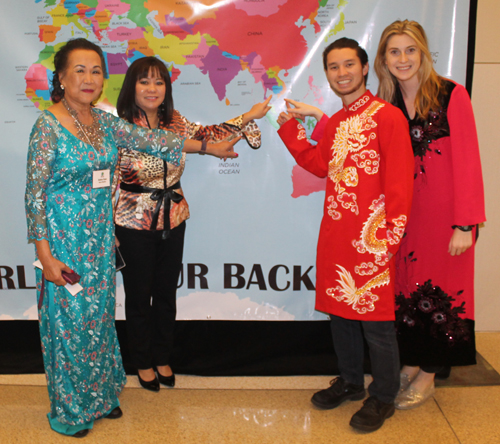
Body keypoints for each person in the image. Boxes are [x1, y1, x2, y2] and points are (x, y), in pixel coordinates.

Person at [24, 38, 238, 438]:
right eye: (80, 70)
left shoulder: (102, 122)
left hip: (102, 238)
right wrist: (45, 254)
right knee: (70, 326)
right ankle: (70, 410)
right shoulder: (47, 125)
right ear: (62, 77)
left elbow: (154, 141)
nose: (89, 79)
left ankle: (102, 397)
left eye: (96, 71)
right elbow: (34, 194)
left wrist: (208, 147)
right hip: (64, 244)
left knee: (99, 322)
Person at [277, 38, 414, 432]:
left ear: (366, 67)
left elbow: (401, 184)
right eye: (334, 67)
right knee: (340, 313)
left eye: (348, 64)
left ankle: (383, 396)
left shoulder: (388, 117)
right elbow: (317, 164)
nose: (342, 73)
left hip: (373, 238)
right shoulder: (336, 122)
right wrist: (289, 129)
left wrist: (388, 240)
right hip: (337, 234)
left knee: (377, 323)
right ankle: (352, 381)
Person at [113, 56, 271, 392]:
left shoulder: (175, 121)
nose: (152, 89)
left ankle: (162, 356)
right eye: (144, 81)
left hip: (174, 216)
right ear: (132, 87)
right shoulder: (120, 126)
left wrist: (248, 117)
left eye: (159, 82)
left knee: (166, 293)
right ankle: (141, 361)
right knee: (139, 297)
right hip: (131, 221)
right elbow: (111, 180)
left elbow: (208, 134)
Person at [373, 20, 485, 409]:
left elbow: (470, 161)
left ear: (423, 53)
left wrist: (465, 223)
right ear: (383, 59)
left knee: (441, 295)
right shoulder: (385, 105)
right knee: (406, 293)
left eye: (410, 50)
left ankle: (430, 374)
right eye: (394, 51)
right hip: (404, 219)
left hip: (446, 220)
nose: (403, 59)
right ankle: (413, 362)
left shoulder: (452, 94)